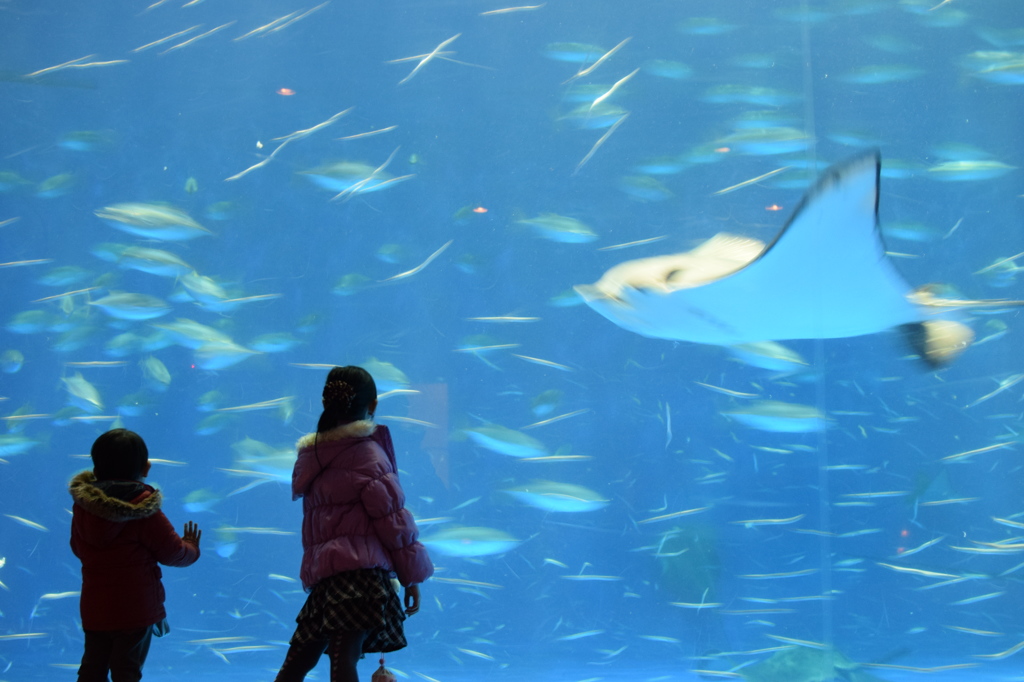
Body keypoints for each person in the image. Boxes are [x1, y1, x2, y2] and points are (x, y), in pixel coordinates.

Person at [275, 365, 434, 682]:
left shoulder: (313, 457)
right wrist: (412, 577)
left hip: (327, 579)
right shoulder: (368, 455)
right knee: (342, 660)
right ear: (372, 405)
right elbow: (393, 521)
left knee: (298, 660)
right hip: (362, 579)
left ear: (326, 404)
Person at [69, 428, 202, 682]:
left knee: (91, 668)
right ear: (146, 468)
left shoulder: (83, 508)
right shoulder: (142, 509)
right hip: (136, 609)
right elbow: (172, 553)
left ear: (95, 470)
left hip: (95, 608)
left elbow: (78, 548)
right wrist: (192, 548)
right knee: (126, 671)